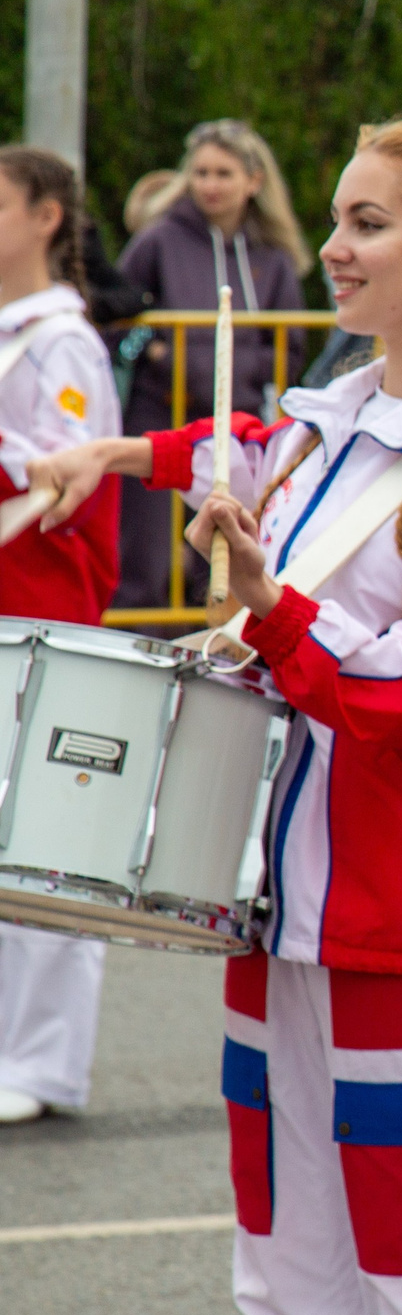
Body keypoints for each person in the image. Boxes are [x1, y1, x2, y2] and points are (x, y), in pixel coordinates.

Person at [33, 116, 402, 1315]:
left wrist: (275, 615)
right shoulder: (337, 428)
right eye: (334, 216)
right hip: (279, 933)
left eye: (370, 222)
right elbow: (249, 442)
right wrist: (112, 460)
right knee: (290, 1303)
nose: (332, 244)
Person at [0, 148, 122, 1126]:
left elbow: (67, 479)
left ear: (46, 216)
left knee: (42, 835)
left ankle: (44, 1063)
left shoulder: (61, 343)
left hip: (40, 605)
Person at [114, 119, 313, 614]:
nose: (210, 184)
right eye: (200, 172)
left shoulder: (273, 257)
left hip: (235, 428)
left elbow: (291, 343)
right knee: (148, 561)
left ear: (254, 181)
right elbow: (117, 316)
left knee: (228, 555)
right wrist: (159, 354)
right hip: (160, 413)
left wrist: (247, 370)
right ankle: (139, 660)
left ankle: (219, 664)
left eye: (223, 173)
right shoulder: (158, 239)